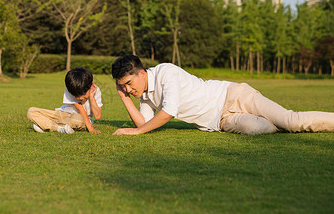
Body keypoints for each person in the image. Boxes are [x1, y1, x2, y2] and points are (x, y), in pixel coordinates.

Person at [111, 55, 334, 135]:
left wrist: (137, 132)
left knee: (291, 121)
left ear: (141, 73)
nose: (129, 89)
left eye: (129, 84)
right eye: (124, 86)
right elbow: (145, 122)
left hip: (233, 95)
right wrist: (124, 99)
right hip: (221, 120)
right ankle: (277, 122)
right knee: (259, 129)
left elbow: (168, 112)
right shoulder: (146, 96)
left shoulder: (165, 72)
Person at [27, 67, 103, 134]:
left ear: (90, 86)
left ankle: (46, 125)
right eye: (76, 96)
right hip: (62, 114)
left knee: (76, 119)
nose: (80, 98)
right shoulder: (72, 88)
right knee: (31, 111)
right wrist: (91, 129)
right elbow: (80, 109)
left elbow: (97, 116)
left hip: (81, 119)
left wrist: (92, 97)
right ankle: (59, 129)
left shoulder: (96, 91)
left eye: (83, 94)